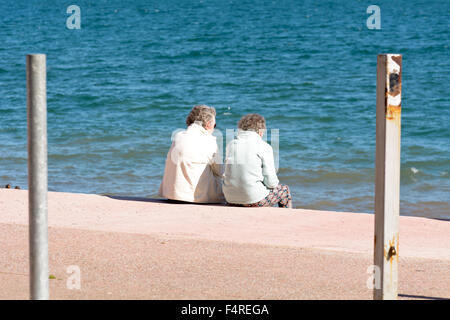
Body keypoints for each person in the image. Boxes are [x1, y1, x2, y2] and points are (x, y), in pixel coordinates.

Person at [223, 113, 292, 208]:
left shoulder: (231, 144)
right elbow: (271, 183)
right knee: (284, 190)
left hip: (230, 198)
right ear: (261, 131)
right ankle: (285, 218)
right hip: (252, 199)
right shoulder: (264, 146)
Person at [158, 105, 224, 203]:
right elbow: (220, 171)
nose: (214, 129)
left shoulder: (178, 136)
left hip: (172, 194)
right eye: (214, 126)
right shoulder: (209, 140)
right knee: (222, 177)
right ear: (208, 124)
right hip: (196, 197)